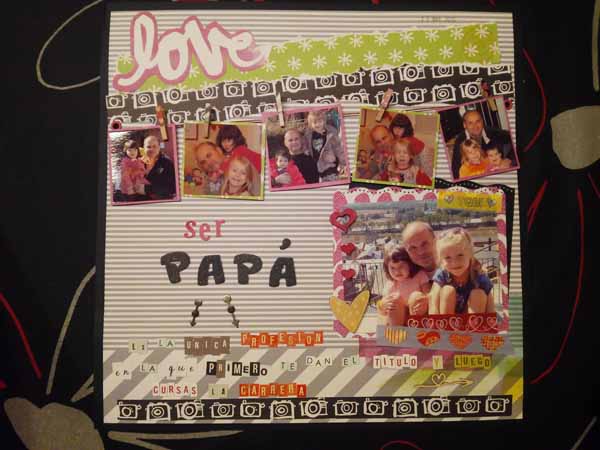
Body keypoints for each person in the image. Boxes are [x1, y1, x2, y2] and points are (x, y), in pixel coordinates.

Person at [429, 227, 495, 314]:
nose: (454, 262)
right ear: (441, 260)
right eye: (447, 257)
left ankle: (474, 322)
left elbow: (491, 307)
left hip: (472, 317)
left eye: (460, 255)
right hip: (447, 317)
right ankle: (445, 322)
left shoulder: (479, 277)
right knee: (447, 290)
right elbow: (433, 303)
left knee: (478, 294)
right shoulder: (442, 274)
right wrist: (434, 320)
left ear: (470, 254)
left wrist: (491, 320)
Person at [376, 244, 430, 326]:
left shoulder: (419, 276)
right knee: (393, 300)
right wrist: (382, 305)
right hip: (399, 320)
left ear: (409, 264)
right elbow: (382, 310)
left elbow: (429, 294)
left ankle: (417, 330)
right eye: (392, 268)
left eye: (401, 266)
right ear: (387, 268)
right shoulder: (390, 284)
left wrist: (425, 301)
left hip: (417, 318)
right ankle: (395, 331)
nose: (397, 271)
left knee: (416, 296)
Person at [451, 109, 513, 179]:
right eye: (470, 123)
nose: (475, 126)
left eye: (478, 121)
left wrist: (508, 159)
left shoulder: (493, 132)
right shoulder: (460, 141)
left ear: (482, 121)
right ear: (464, 125)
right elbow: (455, 169)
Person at [401, 221, 438, 316]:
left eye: (424, 244)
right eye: (413, 248)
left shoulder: (455, 267)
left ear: (436, 241)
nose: (421, 252)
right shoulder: (403, 273)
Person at [304, 110, 347, 182]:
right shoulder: (309, 135)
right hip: (316, 165)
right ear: (310, 124)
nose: (318, 124)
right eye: (315, 122)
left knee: (332, 179)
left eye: (320, 121)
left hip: (329, 163)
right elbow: (305, 144)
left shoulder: (330, 133)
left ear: (324, 121)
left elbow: (338, 148)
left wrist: (343, 162)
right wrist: (305, 150)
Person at [142, 135, 176, 199]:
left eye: (154, 146)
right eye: (148, 147)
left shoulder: (167, 163)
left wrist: (146, 189)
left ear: (159, 147)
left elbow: (172, 188)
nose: (151, 149)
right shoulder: (139, 162)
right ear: (144, 148)